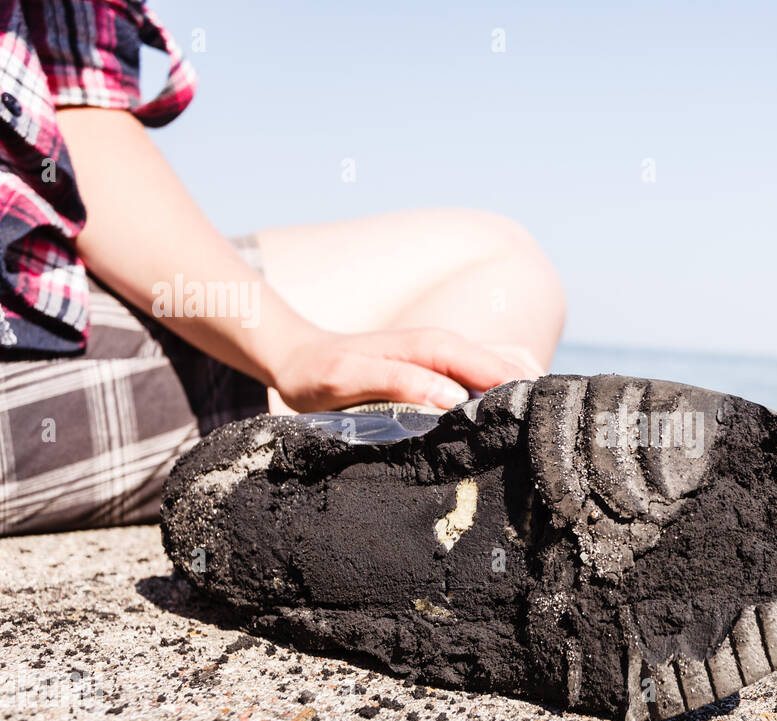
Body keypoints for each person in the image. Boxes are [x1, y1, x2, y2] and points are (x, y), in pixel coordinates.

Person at [0, 0, 565, 535]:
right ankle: (397, 527)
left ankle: (442, 496)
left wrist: (296, 349)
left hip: (34, 272)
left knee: (498, 263)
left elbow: (73, 123)